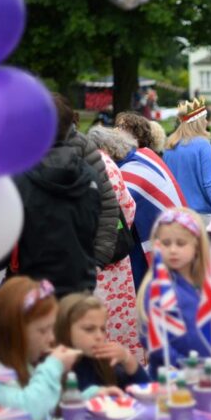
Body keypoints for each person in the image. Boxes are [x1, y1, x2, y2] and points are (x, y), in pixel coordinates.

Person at [3, 99, 102, 297]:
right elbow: (92, 229)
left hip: (33, 294)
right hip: (80, 291)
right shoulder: (91, 175)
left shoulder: (17, 180)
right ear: (69, 128)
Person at [0, 277, 81, 420]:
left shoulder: (24, 363)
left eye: (52, 328)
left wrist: (87, 397)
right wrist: (54, 365)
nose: (51, 338)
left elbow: (46, 409)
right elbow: (25, 413)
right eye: (43, 330)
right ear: (13, 331)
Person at [103, 127, 187, 287]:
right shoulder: (145, 155)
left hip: (153, 236)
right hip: (170, 225)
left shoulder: (128, 172)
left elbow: (120, 211)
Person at [86, 126, 142, 361]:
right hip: (116, 255)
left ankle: (102, 365)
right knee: (122, 318)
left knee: (97, 317)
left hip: (92, 256)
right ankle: (128, 364)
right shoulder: (107, 163)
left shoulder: (78, 165)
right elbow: (129, 206)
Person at [138, 209, 211, 376]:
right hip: (173, 379)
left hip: (208, 372)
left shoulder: (205, 283)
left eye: (180, 243)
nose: (172, 250)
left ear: (196, 246)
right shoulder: (158, 287)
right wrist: (186, 365)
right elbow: (152, 339)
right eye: (165, 243)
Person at [54, 94, 119, 271]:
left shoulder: (82, 147)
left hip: (77, 258)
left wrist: (99, 257)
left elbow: (107, 202)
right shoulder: (25, 151)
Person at [55, 293, 149, 396]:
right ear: (65, 330)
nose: (99, 336)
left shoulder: (104, 361)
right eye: (89, 329)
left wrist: (128, 359)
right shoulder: (53, 366)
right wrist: (93, 394)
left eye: (103, 329)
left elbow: (147, 392)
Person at [163, 98, 211, 221]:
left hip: (176, 214)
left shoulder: (169, 146)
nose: (206, 122)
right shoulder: (203, 145)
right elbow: (210, 183)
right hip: (200, 215)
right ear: (198, 122)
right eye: (204, 118)